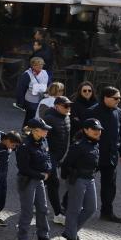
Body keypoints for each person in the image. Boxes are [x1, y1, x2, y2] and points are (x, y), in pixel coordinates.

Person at [85, 86, 121, 223]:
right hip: (95, 154)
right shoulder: (92, 112)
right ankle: (66, 206)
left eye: (120, 98)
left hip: (111, 156)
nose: (118, 100)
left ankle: (107, 212)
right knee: (83, 180)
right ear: (105, 97)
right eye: (116, 98)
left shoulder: (119, 112)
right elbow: (84, 134)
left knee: (109, 186)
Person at [60, 118, 103, 240]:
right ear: (85, 130)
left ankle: (70, 231)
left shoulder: (95, 143)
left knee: (91, 208)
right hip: (77, 179)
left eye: (99, 130)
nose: (98, 132)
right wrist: (69, 179)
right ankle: (71, 238)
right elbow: (66, 163)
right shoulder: (78, 145)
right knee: (74, 210)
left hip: (89, 178)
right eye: (95, 129)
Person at [15, 118, 56, 240]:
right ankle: (23, 239)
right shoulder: (24, 146)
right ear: (35, 131)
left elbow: (48, 155)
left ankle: (43, 237)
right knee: (27, 211)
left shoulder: (44, 140)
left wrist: (49, 169)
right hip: (27, 181)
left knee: (43, 208)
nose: (47, 131)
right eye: (44, 129)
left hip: (39, 179)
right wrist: (42, 175)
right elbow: (23, 168)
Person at [42, 96, 72, 224]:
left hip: (59, 157)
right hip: (50, 156)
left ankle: (34, 202)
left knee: (43, 182)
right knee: (54, 184)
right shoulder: (49, 118)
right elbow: (41, 137)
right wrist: (46, 157)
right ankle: (58, 213)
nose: (68, 108)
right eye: (65, 106)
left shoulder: (67, 116)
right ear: (57, 106)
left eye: (69, 106)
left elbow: (66, 137)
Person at [14, 57, 49, 126]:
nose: (40, 66)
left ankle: (35, 132)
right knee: (30, 116)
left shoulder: (45, 73)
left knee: (40, 116)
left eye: (41, 64)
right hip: (30, 99)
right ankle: (26, 130)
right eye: (37, 65)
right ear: (32, 65)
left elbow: (48, 84)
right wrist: (20, 102)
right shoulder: (27, 74)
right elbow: (20, 89)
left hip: (42, 98)